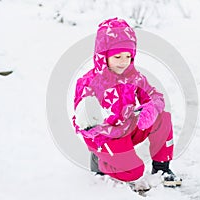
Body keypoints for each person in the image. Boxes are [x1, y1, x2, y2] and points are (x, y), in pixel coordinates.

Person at [72, 17, 181, 188]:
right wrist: (98, 129)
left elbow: (155, 96)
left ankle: (162, 168)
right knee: (134, 172)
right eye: (117, 57)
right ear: (103, 55)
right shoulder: (89, 83)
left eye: (128, 56)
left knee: (163, 117)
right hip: (105, 138)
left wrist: (150, 109)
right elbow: (81, 122)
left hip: (127, 128)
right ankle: (100, 161)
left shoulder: (133, 76)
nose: (124, 62)